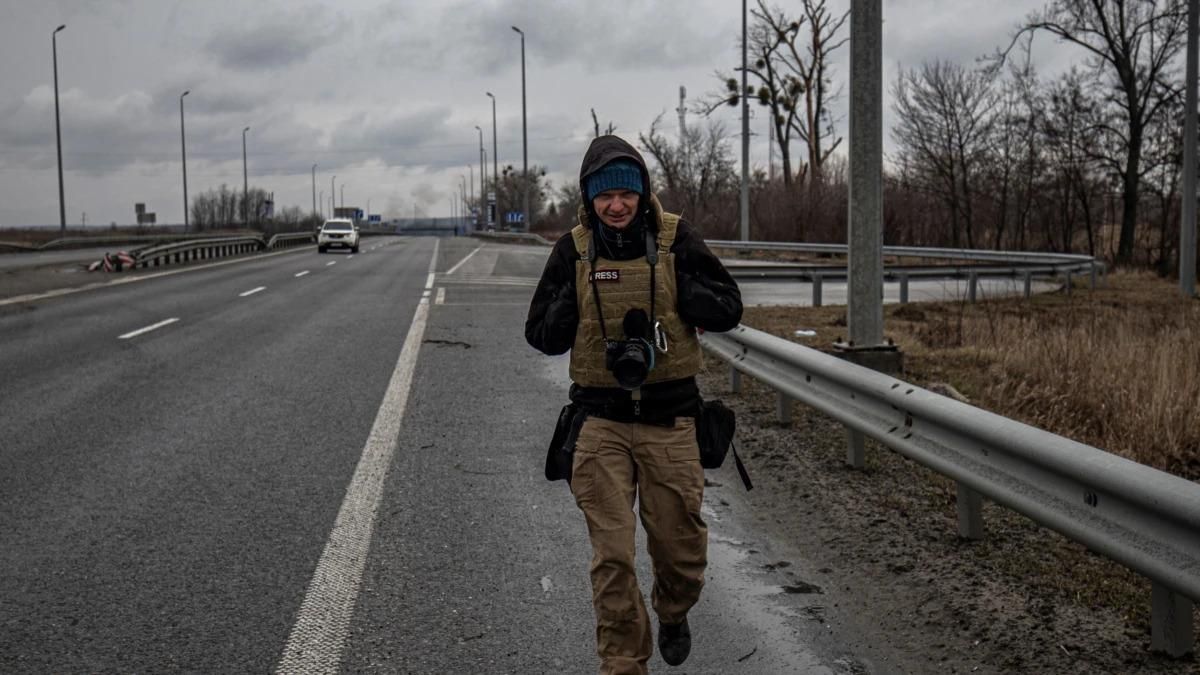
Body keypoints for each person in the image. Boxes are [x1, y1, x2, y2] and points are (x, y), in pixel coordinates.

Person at [525, 135, 743, 674]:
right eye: (605, 196)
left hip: (672, 423)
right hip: (600, 424)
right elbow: (540, 334)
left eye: (626, 193)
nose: (616, 205)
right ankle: (624, 663)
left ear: (643, 193)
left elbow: (729, 306)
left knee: (681, 553)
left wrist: (680, 300)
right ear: (588, 198)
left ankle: (674, 611)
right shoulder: (573, 250)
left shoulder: (674, 239)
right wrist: (574, 306)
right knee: (613, 558)